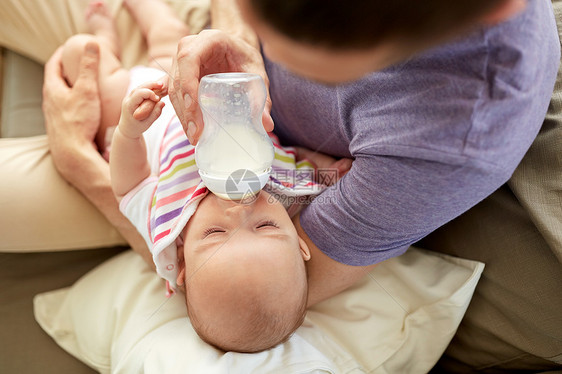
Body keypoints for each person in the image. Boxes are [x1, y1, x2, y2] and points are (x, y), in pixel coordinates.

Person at [32, 0, 561, 371]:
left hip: (135, 144)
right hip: (193, 79)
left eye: (308, 55)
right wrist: (237, 36)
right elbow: (305, 181)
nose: (243, 210)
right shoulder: (286, 190)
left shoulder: (448, 144)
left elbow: (238, 283)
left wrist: (79, 160)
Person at [59, 0, 354, 353]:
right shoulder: (288, 196)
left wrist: (129, 132)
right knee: (169, 36)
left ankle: (104, 34)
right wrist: (331, 170)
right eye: (266, 227)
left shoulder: (169, 232)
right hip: (198, 101)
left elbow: (129, 185)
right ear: (300, 241)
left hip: (143, 112)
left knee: (86, 56)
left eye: (216, 232)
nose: (239, 211)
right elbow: (303, 164)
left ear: (182, 265)